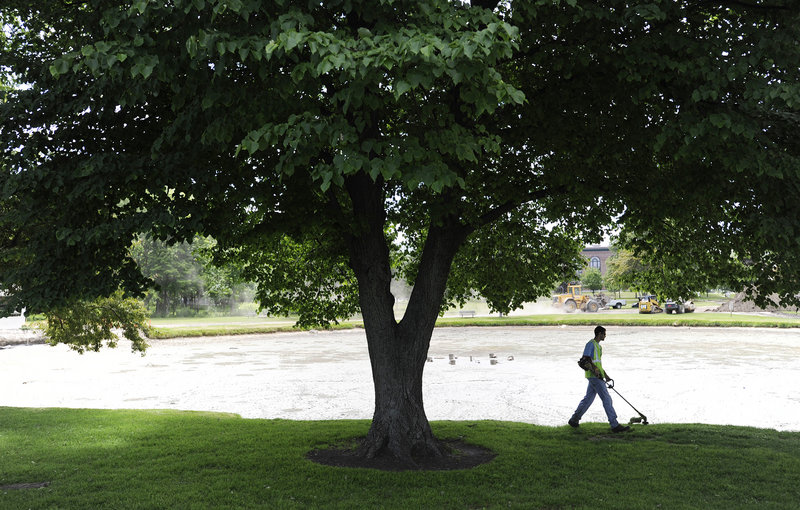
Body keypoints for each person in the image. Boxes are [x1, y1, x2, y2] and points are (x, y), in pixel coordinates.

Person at [568, 325, 631, 433]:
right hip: (594, 376)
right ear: (599, 334)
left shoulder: (599, 347)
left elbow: (598, 364)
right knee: (607, 399)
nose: (605, 336)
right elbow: (585, 359)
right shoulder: (590, 344)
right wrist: (595, 370)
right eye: (604, 334)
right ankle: (614, 425)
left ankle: (574, 420)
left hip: (596, 377)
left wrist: (606, 376)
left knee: (588, 399)